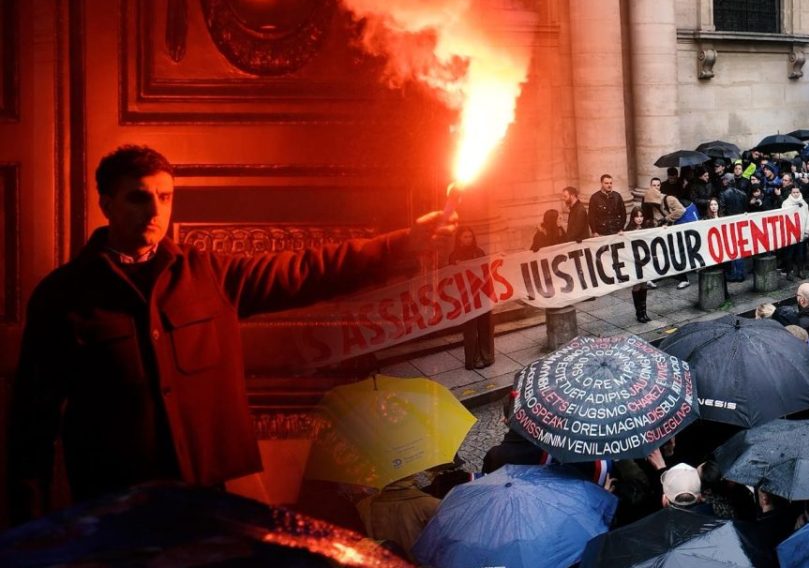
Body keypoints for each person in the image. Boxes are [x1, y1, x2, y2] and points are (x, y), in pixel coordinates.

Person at [7, 145, 455, 520]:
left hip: (203, 493)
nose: (154, 211)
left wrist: (402, 243)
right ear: (106, 203)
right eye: (139, 198)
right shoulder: (62, 296)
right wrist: (28, 526)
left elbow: (306, 271)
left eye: (165, 197)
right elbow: (33, 418)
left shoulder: (205, 273)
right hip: (114, 501)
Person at [449, 227, 495, 370]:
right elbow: (450, 277)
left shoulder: (479, 252)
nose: (468, 239)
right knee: (470, 329)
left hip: (481, 295)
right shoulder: (454, 256)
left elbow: (486, 271)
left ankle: (487, 356)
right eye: (465, 237)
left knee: (485, 326)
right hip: (466, 297)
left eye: (470, 236)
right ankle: (473, 359)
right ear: (459, 239)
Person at [626, 208, 653, 323]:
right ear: (633, 218)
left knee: (644, 285)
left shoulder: (646, 228)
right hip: (634, 261)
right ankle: (639, 313)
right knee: (637, 285)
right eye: (637, 216)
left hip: (644, 260)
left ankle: (644, 312)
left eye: (641, 216)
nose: (639, 219)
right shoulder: (629, 230)